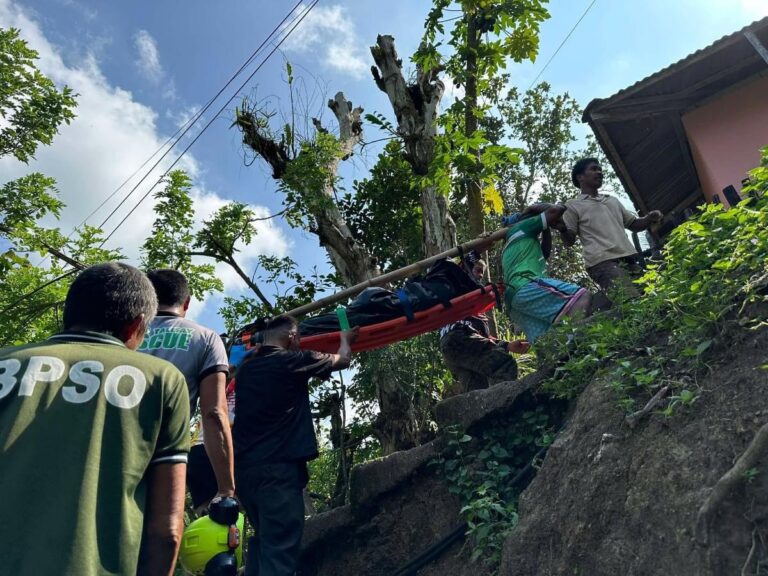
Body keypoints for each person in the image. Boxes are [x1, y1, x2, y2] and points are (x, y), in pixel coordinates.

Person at [0, 262, 190, 576]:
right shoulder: (161, 379)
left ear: (69, 313)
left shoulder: (6, 361)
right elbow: (166, 531)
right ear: (135, 327)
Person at [233, 315, 358, 576]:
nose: (300, 342)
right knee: (280, 553)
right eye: (298, 337)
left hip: (246, 475)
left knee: (264, 544)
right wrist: (345, 339)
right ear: (291, 336)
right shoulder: (293, 360)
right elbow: (343, 360)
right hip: (278, 473)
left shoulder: (245, 369)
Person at [139, 269, 235, 506]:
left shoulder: (126, 336)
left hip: (109, 453)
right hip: (165, 457)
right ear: (187, 302)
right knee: (159, 534)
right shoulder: (206, 338)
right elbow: (213, 413)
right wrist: (226, 489)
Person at [562, 158, 663, 301]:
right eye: (594, 169)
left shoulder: (612, 200)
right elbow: (569, 240)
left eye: (600, 169)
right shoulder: (573, 205)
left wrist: (649, 218)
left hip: (629, 259)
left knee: (654, 297)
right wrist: (561, 228)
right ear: (580, 177)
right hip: (602, 263)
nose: (599, 172)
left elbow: (633, 224)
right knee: (631, 301)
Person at [439, 251, 529, 395]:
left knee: (477, 388)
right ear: (466, 269)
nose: (481, 275)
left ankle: (485, 417)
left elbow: (480, 339)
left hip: (451, 347)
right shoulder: (460, 284)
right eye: (478, 270)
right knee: (504, 364)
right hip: (459, 337)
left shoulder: (473, 306)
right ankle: (510, 409)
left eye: (483, 272)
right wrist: (480, 247)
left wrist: (508, 345)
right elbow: (465, 262)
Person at [502, 204, 592, 343]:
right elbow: (557, 209)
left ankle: (560, 360)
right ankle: (574, 343)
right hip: (525, 285)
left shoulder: (515, 244)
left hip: (513, 301)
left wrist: (546, 228)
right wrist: (531, 209)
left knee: (546, 341)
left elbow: (545, 252)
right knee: (581, 297)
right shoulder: (521, 227)